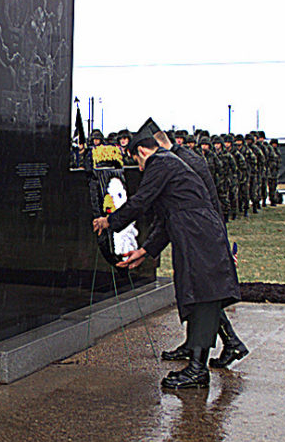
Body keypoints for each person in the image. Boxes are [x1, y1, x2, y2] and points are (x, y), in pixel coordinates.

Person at [93, 119, 241, 389]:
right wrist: (146, 251)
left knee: (204, 297)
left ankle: (197, 370)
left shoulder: (160, 163)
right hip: (192, 236)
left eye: (136, 161)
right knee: (196, 295)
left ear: (142, 152)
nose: (138, 168)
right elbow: (165, 218)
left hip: (200, 237)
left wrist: (109, 222)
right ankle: (198, 365)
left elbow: (140, 202)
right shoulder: (169, 164)